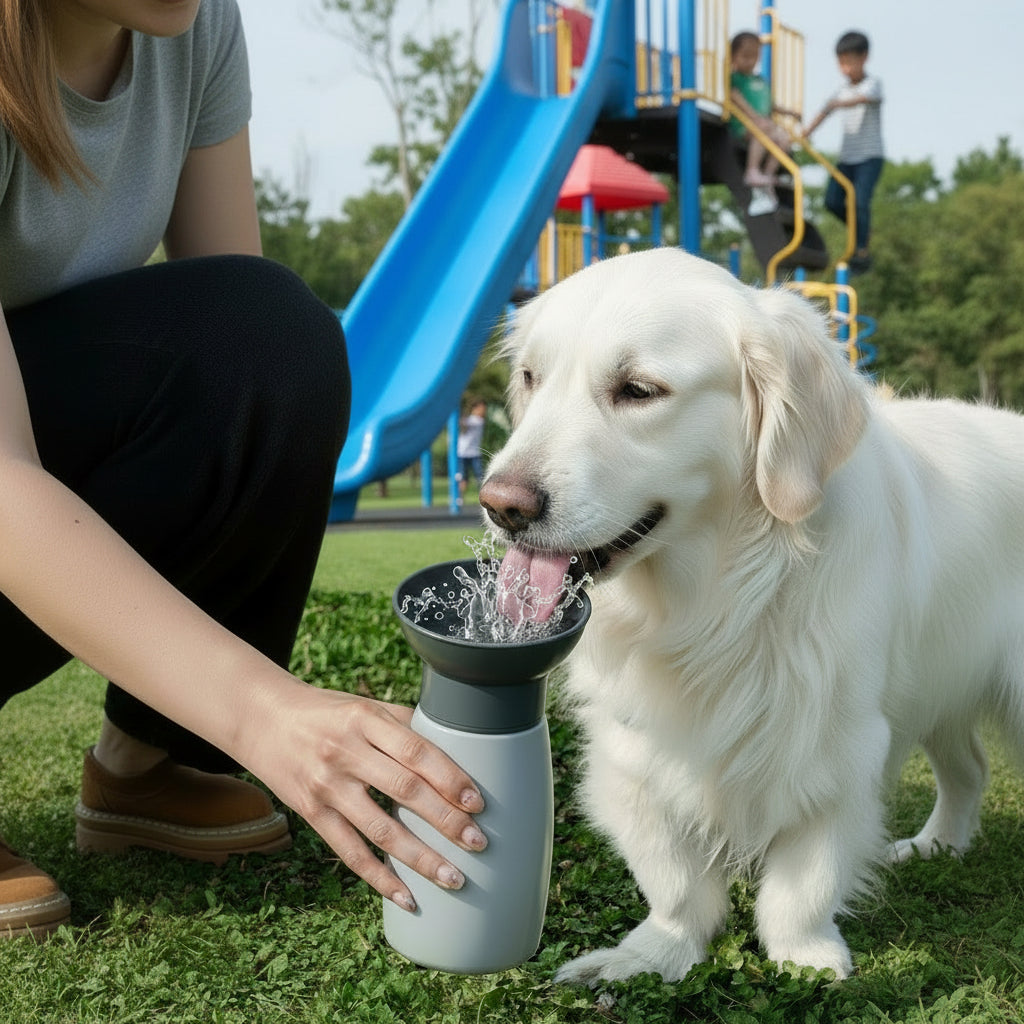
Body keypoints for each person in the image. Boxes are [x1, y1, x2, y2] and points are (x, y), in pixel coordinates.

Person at [0, 0, 486, 939]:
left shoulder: (195, 27)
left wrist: (219, 712)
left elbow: (244, 368)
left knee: (270, 338)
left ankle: (149, 768)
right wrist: (266, 715)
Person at [802, 31, 884, 273]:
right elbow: (823, 112)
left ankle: (861, 250)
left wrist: (839, 103)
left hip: (869, 157)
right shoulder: (839, 91)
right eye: (842, 63)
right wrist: (805, 133)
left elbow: (864, 99)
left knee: (859, 200)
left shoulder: (872, 84)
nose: (846, 69)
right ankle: (862, 229)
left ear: (864, 58)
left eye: (850, 62)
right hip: (847, 159)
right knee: (832, 201)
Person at [728, 31, 797, 217]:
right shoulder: (736, 78)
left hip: (762, 126)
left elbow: (771, 105)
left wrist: (789, 112)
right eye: (745, 56)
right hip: (743, 126)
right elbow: (735, 97)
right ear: (733, 56)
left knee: (784, 138)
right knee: (764, 128)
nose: (750, 61)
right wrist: (754, 117)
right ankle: (752, 170)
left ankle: (766, 175)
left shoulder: (760, 80)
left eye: (755, 56)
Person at [455, 398, 487, 506]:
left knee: (480, 477)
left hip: (474, 453)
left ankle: (484, 497)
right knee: (463, 478)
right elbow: (462, 424)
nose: (484, 411)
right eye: (482, 408)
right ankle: (459, 498)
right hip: (463, 452)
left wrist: (461, 416)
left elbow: (463, 424)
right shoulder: (471, 419)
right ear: (475, 409)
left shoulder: (479, 421)